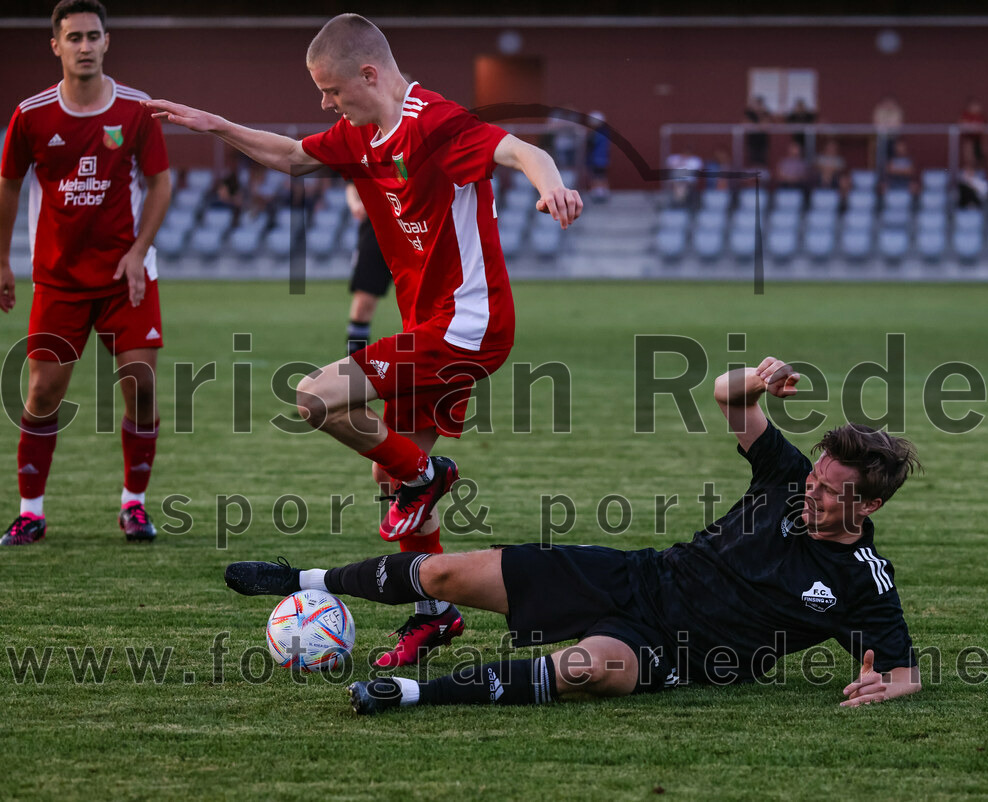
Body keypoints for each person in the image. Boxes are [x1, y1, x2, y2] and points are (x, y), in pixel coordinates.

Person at [145, 13, 582, 667]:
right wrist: (216, 125)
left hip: (468, 324)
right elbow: (292, 156)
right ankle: (435, 614)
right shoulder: (360, 135)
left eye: (331, 90)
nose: (326, 103)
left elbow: (524, 151)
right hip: (431, 327)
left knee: (316, 397)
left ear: (369, 74)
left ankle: (427, 476)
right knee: (389, 472)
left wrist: (554, 189)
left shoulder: (434, 123)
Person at [225, 354, 924, 716]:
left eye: (830, 491)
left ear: (869, 505)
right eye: (816, 478)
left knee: (588, 671)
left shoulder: (863, 580)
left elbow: (901, 671)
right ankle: (302, 581)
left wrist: (891, 687)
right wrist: (760, 378)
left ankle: (406, 694)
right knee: (443, 574)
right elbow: (726, 395)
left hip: (679, 650)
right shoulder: (786, 476)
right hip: (635, 576)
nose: (812, 491)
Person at [0, 0, 171, 546]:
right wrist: (2, 260)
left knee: (141, 386)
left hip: (128, 275)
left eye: (93, 36)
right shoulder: (31, 115)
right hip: (59, 279)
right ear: (56, 45)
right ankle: (30, 512)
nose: (85, 46)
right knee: (43, 392)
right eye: (73, 37)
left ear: (106, 42)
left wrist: (138, 250)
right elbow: (8, 186)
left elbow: (161, 184)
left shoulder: (137, 109)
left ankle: (134, 505)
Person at [343, 182, 391, 357]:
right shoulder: (372, 161)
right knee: (363, 305)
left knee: (423, 308)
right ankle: (355, 363)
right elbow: (352, 181)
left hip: (417, 225)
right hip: (376, 227)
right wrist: (355, 203)